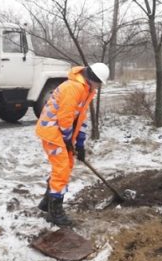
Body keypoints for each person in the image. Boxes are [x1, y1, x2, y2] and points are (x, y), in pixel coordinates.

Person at [34, 62, 109, 226]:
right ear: (93, 78)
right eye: (99, 83)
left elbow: (81, 118)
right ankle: (55, 213)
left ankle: (47, 204)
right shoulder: (73, 88)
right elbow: (65, 118)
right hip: (52, 132)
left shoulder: (87, 90)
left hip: (61, 133)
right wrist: (68, 140)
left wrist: (80, 143)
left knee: (66, 167)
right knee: (61, 169)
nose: (99, 87)